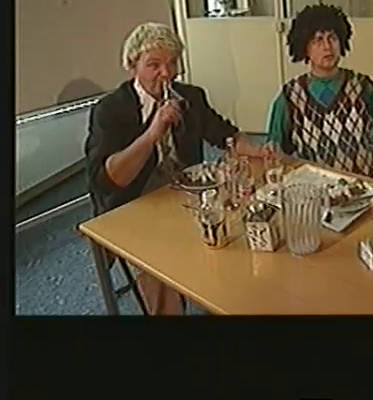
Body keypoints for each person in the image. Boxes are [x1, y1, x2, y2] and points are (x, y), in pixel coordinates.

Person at [85, 22, 262, 315]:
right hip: (132, 207)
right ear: (133, 67)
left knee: (242, 226)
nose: (166, 73)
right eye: (154, 65)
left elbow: (224, 134)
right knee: (161, 266)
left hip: (187, 198)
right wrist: (152, 133)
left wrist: (257, 150)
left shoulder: (190, 97)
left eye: (172, 63)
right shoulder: (110, 110)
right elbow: (106, 180)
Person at [265, 1, 373, 181]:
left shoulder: (363, 87)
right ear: (305, 48)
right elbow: (275, 146)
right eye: (318, 40)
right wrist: (273, 152)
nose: (327, 47)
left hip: (365, 184)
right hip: (316, 186)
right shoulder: (290, 97)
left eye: (332, 38)